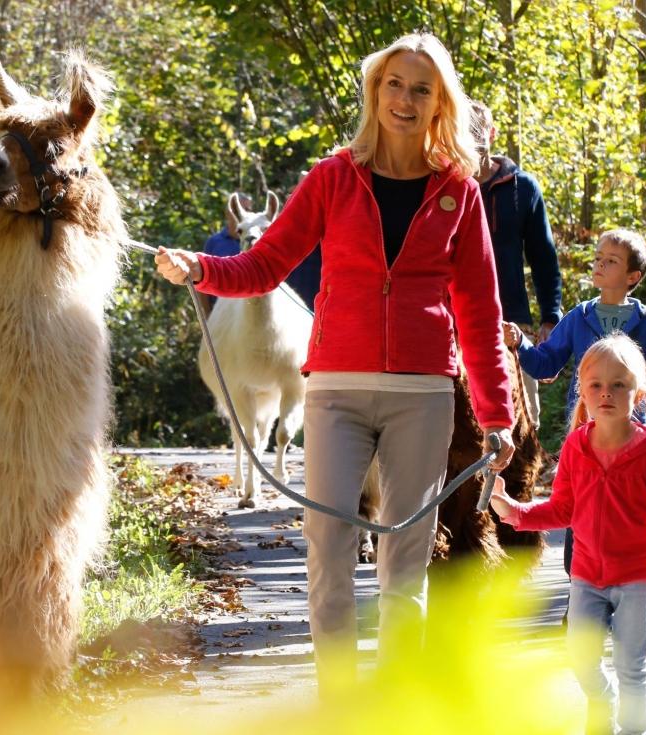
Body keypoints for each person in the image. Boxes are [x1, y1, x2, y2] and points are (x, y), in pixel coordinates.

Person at [154, 32, 516, 694]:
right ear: (375, 92)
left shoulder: (457, 193)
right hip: (335, 393)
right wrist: (201, 267)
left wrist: (497, 416)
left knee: (405, 563)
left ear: (440, 105)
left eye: (421, 90)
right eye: (393, 85)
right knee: (328, 553)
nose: (404, 100)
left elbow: (480, 315)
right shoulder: (332, 177)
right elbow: (266, 263)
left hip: (423, 395)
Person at [490, 333, 646, 735]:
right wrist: (513, 512)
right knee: (580, 658)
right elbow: (562, 509)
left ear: (637, 395)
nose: (606, 393)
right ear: (583, 393)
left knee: (631, 666)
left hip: (638, 578)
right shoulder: (576, 446)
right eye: (596, 385)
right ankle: (602, 701)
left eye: (618, 385)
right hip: (587, 576)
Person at [503, 228, 646, 581]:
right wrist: (520, 344)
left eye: (611, 261)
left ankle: (627, 584)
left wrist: (643, 396)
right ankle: (581, 596)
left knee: (626, 509)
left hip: (629, 437)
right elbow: (545, 363)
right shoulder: (579, 317)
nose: (600, 264)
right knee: (578, 509)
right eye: (598, 258)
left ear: (632, 277)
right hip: (586, 435)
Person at [470, 100, 562, 424]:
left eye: (477, 130)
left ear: (492, 133)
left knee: (523, 420)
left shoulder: (522, 188)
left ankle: (522, 476)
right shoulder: (443, 186)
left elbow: (544, 258)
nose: (471, 138)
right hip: (455, 326)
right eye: (462, 130)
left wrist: (551, 317)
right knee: (462, 426)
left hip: (511, 324)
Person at [198, 192, 253, 314]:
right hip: (220, 320)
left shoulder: (255, 243)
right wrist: (208, 318)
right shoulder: (214, 242)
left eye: (247, 209)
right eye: (236, 209)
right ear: (227, 212)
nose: (242, 213)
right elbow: (201, 282)